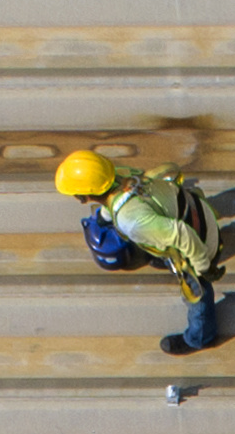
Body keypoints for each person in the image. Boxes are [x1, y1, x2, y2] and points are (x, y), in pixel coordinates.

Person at [55, 147, 225, 354]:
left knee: (197, 294)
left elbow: (183, 234)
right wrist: (105, 217)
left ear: (83, 196)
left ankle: (199, 337)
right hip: (195, 210)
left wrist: (204, 267)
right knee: (158, 232)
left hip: (201, 240)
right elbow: (117, 201)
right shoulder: (122, 175)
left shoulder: (132, 222)